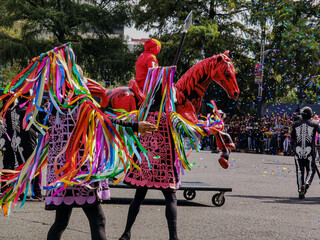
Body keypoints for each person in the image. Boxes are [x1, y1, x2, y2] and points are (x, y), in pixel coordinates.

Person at [46, 104, 157, 240]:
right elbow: (105, 121)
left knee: (61, 222)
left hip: (60, 173)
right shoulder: (81, 104)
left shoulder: (53, 106)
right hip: (82, 172)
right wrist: (134, 126)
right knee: (98, 220)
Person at [1, 94, 43, 200]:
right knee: (33, 167)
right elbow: (34, 126)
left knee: (18, 167)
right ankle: (36, 192)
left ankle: (17, 191)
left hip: (16, 141)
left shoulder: (13, 110)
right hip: (27, 142)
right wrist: (45, 130)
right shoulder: (27, 110)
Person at [291, 106, 320, 199]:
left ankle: (300, 189)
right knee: (311, 170)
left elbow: (293, 137)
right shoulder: (314, 123)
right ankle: (307, 183)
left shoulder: (295, 124)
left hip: (298, 150)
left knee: (299, 171)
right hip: (309, 151)